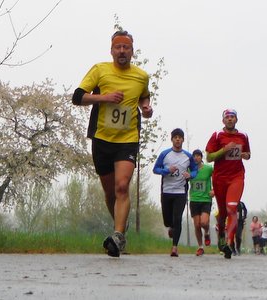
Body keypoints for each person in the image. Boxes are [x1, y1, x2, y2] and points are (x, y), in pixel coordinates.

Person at [71, 30, 153, 257]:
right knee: (110, 193)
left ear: (132, 51)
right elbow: (77, 97)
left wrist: (146, 108)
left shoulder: (141, 76)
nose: (122, 51)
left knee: (122, 186)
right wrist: (103, 98)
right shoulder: (100, 70)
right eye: (118, 47)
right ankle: (120, 223)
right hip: (102, 138)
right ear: (111, 50)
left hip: (127, 140)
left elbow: (144, 96)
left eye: (126, 47)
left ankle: (118, 236)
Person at [205, 109, 251, 259]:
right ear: (223, 120)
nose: (230, 119)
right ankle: (222, 237)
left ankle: (229, 243)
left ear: (236, 119)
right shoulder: (217, 135)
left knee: (232, 208)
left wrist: (245, 155)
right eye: (227, 117)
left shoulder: (243, 136)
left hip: (236, 177)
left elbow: (248, 154)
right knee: (223, 213)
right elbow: (209, 157)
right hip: (219, 178)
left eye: (232, 117)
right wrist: (224, 150)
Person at [153, 128, 198, 257]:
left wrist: (190, 175)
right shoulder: (164, 154)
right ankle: (171, 227)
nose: (178, 139)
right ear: (172, 139)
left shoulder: (188, 156)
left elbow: (195, 171)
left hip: (180, 192)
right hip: (166, 191)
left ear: (183, 140)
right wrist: (166, 170)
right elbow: (155, 169)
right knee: (167, 221)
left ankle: (174, 247)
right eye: (175, 137)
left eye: (180, 137)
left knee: (177, 218)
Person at [189, 149, 214, 256]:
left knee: (204, 222)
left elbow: (218, 177)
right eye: (194, 156)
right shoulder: (190, 170)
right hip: (194, 199)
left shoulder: (208, 169)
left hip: (206, 200)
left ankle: (207, 233)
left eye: (198, 156)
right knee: (197, 225)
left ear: (201, 157)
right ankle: (200, 247)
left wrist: (214, 190)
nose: (196, 158)